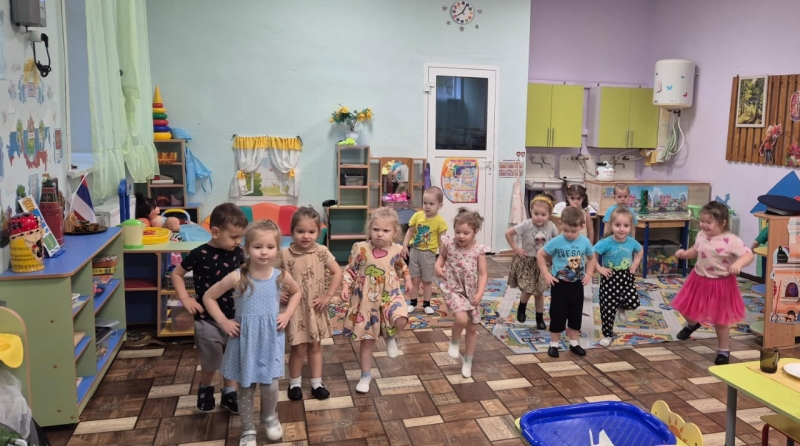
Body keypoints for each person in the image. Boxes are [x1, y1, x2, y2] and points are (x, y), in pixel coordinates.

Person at [202, 220, 302, 444]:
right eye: (258, 247)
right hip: (244, 341)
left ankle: (270, 417)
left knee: (271, 386)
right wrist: (223, 322)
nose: (264, 252)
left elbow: (297, 292)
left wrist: (287, 314)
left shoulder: (280, 276)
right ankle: (248, 429)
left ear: (277, 249)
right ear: (247, 249)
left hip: (270, 340)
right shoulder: (237, 277)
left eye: (270, 247)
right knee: (245, 389)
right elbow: (209, 297)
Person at [171, 203, 248, 412]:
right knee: (211, 357)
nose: (238, 241)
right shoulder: (199, 253)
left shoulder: (238, 252)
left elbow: (247, 276)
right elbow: (176, 274)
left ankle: (229, 393)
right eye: (234, 237)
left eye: (240, 237)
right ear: (215, 232)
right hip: (207, 318)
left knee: (232, 356)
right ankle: (206, 388)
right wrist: (185, 298)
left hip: (234, 317)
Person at [672, 201, 754, 365]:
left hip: (721, 284)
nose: (704, 225)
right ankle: (692, 324)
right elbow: (696, 250)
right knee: (683, 306)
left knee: (720, 319)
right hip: (698, 279)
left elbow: (748, 255)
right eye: (702, 221)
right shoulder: (701, 235)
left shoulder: (731, 240)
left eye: (709, 222)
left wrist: (738, 264)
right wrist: (685, 254)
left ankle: (723, 350)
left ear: (722, 223)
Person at [341, 207, 410, 393]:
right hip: (367, 301)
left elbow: (401, 267)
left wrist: (408, 279)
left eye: (385, 230)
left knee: (401, 318)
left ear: (395, 232)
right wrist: (346, 286)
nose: (380, 234)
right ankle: (365, 376)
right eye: (376, 229)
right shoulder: (360, 248)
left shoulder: (397, 249)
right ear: (369, 229)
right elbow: (350, 269)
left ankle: (390, 335)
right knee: (367, 341)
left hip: (390, 295)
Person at [282, 207, 342, 401]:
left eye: (311, 231)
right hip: (295, 310)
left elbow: (337, 272)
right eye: (300, 231)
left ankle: (317, 383)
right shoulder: (285, 254)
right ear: (292, 231)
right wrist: (278, 293)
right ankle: (294, 383)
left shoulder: (322, 252)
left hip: (315, 308)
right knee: (298, 348)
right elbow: (271, 276)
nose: (306, 236)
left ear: (318, 231)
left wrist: (328, 296)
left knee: (315, 347)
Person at [537, 206, 596, 358]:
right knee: (558, 314)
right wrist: (546, 273)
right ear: (561, 224)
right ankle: (554, 344)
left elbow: (592, 258)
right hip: (559, 284)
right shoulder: (556, 241)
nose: (569, 234)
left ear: (582, 226)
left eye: (573, 231)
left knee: (575, 314)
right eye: (566, 230)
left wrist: (589, 273)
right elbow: (540, 254)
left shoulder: (585, 242)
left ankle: (574, 343)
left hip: (577, 284)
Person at [436, 208, 489, 378]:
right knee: (461, 318)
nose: (461, 236)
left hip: (471, 292)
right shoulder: (450, 244)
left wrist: (480, 293)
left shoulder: (479, 250)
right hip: (453, 287)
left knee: (472, 328)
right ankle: (454, 341)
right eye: (458, 232)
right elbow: (441, 257)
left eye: (466, 233)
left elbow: (483, 274)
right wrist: (438, 266)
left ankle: (468, 360)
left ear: (475, 232)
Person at [504, 193, 558, 328]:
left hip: (543, 264)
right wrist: (516, 248)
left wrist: (553, 256)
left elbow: (558, 241)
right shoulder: (526, 225)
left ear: (549, 214)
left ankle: (539, 318)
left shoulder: (551, 226)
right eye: (536, 213)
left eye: (543, 214)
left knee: (539, 293)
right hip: (528, 261)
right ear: (531, 211)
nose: (539, 217)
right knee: (528, 289)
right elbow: (508, 233)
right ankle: (522, 306)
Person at [593, 207, 643, 347]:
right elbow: (591, 254)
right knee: (607, 309)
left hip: (626, 276)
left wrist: (635, 265)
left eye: (626, 226)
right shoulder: (606, 242)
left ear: (630, 227)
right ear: (611, 225)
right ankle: (607, 335)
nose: (622, 229)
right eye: (617, 225)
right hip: (609, 278)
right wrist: (599, 268)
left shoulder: (631, 242)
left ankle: (621, 306)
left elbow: (640, 251)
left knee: (633, 302)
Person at [402, 187, 448, 314]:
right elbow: (410, 231)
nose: (427, 206)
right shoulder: (417, 216)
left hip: (428, 254)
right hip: (414, 252)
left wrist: (442, 258)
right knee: (415, 280)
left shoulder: (440, 222)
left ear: (440, 205)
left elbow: (442, 241)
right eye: (425, 203)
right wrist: (405, 246)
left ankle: (427, 304)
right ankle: (413, 303)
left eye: (431, 204)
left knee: (427, 281)